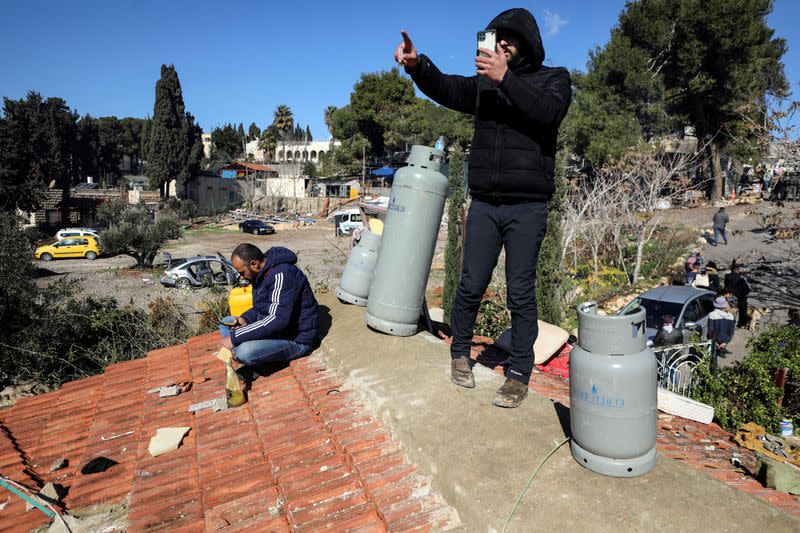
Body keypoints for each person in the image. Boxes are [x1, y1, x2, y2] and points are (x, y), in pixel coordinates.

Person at [394, 9, 571, 408]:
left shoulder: (553, 79)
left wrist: (504, 77)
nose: (501, 43)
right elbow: (447, 88)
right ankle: (460, 355)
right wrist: (417, 65)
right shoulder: (483, 86)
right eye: (497, 37)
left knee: (521, 292)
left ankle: (519, 374)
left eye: (509, 38)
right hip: (485, 203)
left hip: (528, 206)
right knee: (471, 282)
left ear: (526, 43)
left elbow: (548, 113)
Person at [219, 244, 319, 369]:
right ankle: (240, 351)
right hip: (277, 332)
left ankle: (250, 356)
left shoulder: (283, 274)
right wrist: (245, 319)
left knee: (245, 351)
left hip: (296, 339)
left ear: (254, 264)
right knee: (226, 322)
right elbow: (260, 308)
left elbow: (277, 320)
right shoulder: (261, 274)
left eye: (242, 272)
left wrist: (235, 338)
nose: (241, 277)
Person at [724, 263, 751, 328]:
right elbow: (747, 290)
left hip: (730, 296)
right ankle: (741, 322)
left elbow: (726, 286)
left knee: (730, 309)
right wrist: (743, 293)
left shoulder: (727, 277)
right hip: (740, 297)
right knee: (742, 309)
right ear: (738, 271)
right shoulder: (741, 280)